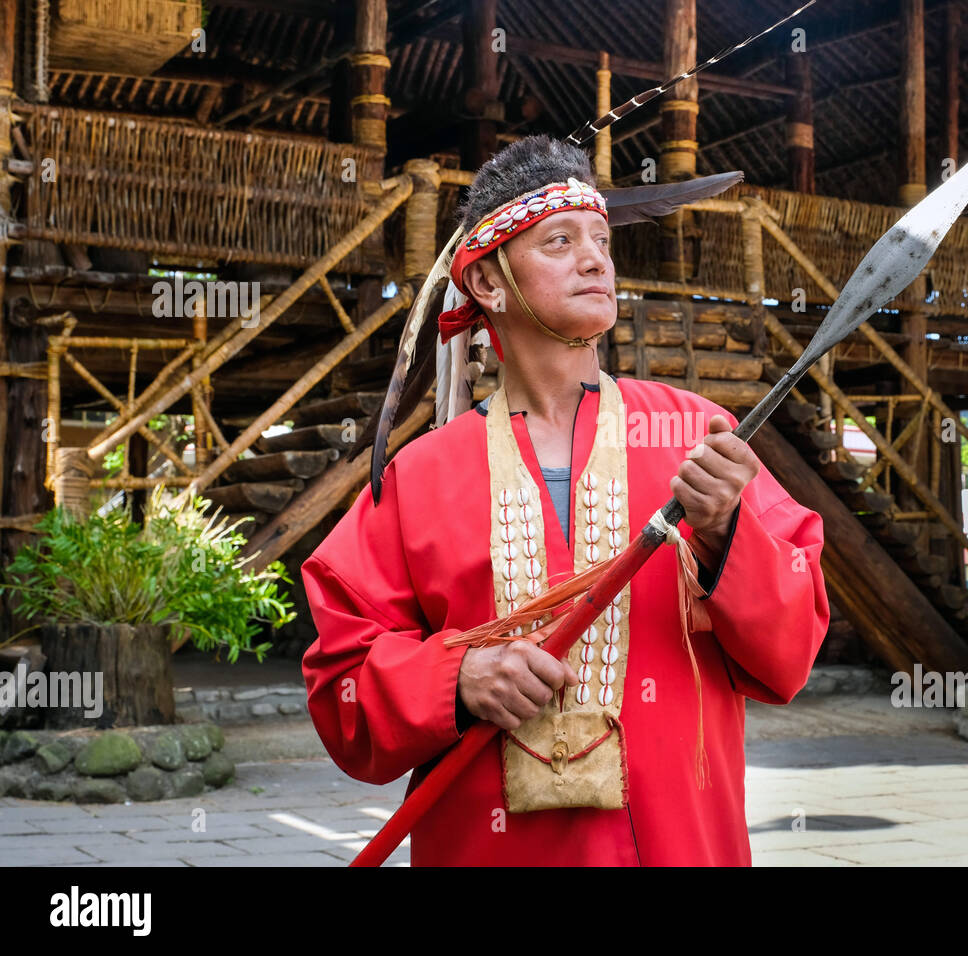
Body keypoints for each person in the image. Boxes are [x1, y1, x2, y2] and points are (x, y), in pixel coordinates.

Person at [300, 135, 829, 865]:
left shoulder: (694, 434)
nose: (595, 261)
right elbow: (342, 688)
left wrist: (727, 532)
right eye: (559, 241)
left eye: (602, 241)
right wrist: (458, 678)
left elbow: (792, 653)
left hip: (679, 845)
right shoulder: (420, 476)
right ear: (488, 284)